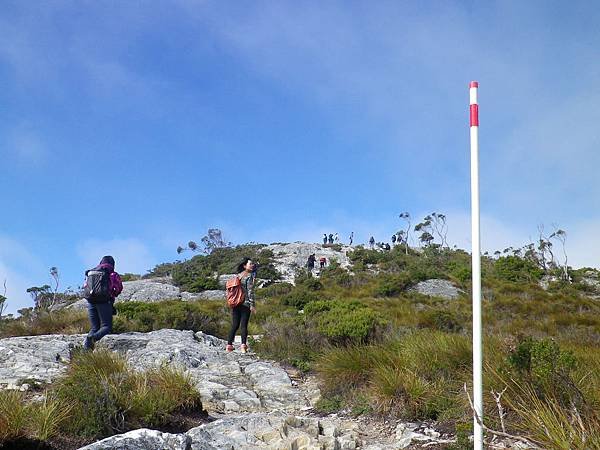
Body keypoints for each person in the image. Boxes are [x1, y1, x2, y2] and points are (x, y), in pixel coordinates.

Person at [83, 256, 123, 350]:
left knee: (94, 328)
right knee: (106, 327)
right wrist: (113, 295)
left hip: (91, 301)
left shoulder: (91, 272)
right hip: (104, 302)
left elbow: (85, 286)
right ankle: (92, 338)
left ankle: (85, 351)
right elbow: (118, 288)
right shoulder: (112, 273)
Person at [227, 258, 256, 353]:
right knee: (243, 325)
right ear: (245, 266)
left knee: (234, 325)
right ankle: (243, 346)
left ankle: (229, 345)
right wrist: (252, 305)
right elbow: (250, 291)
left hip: (235, 303)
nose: (252, 265)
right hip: (245, 303)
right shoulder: (249, 276)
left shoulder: (237, 276)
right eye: (250, 264)